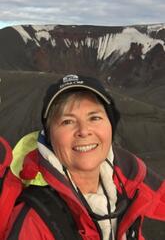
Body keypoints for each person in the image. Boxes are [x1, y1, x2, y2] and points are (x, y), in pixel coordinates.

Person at [1, 74, 165, 240]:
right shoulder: (36, 221)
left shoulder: (128, 192)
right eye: (67, 121)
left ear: (110, 127)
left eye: (94, 118)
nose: (84, 130)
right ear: (49, 136)